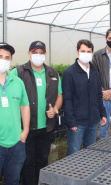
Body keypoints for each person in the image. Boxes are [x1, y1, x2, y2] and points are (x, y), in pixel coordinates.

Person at [11, 41, 63, 185]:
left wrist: (56, 109)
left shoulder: (53, 73)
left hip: (46, 127)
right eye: (35, 53)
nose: (38, 55)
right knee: (27, 161)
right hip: (26, 127)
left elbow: (59, 95)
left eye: (41, 53)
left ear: (45, 54)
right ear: (29, 54)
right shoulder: (19, 72)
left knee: (42, 160)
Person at [62, 39, 107, 155]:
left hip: (93, 121)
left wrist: (102, 114)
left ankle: (88, 173)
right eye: (83, 51)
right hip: (77, 123)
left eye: (88, 51)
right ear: (77, 52)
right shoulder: (69, 73)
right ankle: (72, 173)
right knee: (74, 152)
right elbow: (67, 99)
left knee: (90, 152)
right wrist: (71, 121)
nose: (86, 54)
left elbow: (98, 95)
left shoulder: (94, 72)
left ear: (92, 53)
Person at [0, 43, 30, 184]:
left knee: (13, 180)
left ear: (11, 60)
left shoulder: (18, 82)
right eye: (0, 56)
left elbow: (24, 106)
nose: (4, 60)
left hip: (16, 142)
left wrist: (25, 131)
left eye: (7, 57)